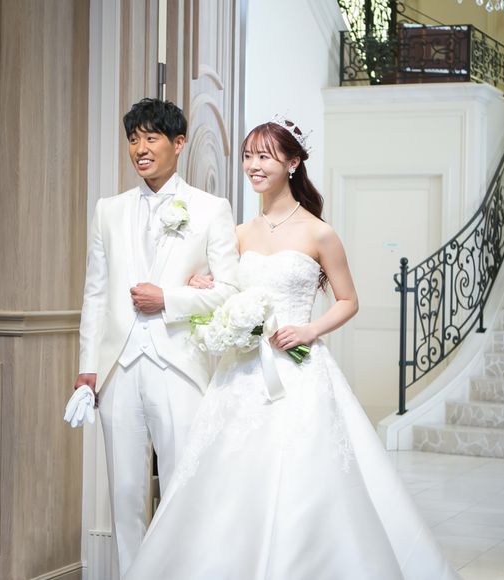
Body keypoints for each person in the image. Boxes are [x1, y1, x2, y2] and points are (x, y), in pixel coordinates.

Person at [123, 117, 460, 579]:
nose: (253, 166)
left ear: (293, 162)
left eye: (264, 156)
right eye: (248, 156)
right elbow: (222, 289)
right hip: (241, 372)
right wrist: (204, 284)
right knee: (229, 477)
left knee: (304, 473)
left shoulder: (319, 233)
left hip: (299, 372)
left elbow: (349, 301)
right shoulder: (239, 233)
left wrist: (308, 330)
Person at [74, 98, 239, 577]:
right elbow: (95, 293)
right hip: (119, 370)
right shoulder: (108, 210)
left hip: (180, 366)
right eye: (133, 139)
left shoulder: (211, 209)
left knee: (182, 489)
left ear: (178, 143)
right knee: (125, 494)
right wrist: (88, 368)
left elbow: (230, 291)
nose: (140, 149)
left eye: (151, 138)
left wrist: (168, 299)